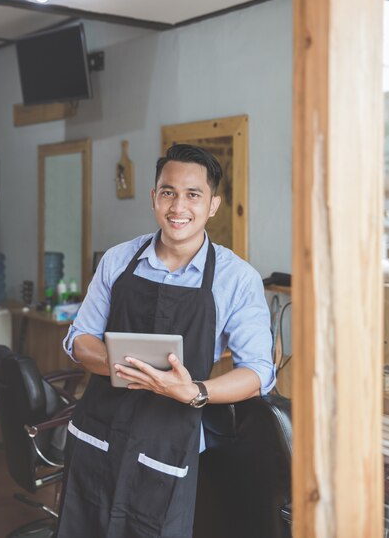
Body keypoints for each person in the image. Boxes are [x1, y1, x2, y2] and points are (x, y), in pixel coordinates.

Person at [57, 144, 275, 538]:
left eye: (193, 194)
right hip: (98, 433)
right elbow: (79, 339)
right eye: (168, 192)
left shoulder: (237, 279)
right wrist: (127, 367)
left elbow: (258, 372)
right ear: (154, 197)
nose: (179, 206)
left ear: (213, 205)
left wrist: (195, 391)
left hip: (169, 447)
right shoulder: (118, 260)